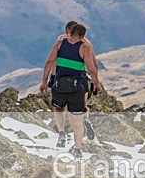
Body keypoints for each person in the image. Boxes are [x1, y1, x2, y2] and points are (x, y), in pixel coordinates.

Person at [39, 24, 101, 158]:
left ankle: (61, 133)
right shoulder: (85, 47)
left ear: (69, 32)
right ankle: (78, 149)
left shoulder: (59, 44)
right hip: (76, 89)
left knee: (58, 109)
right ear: (83, 36)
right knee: (77, 120)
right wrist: (97, 83)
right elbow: (92, 68)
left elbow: (49, 62)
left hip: (59, 86)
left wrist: (44, 81)